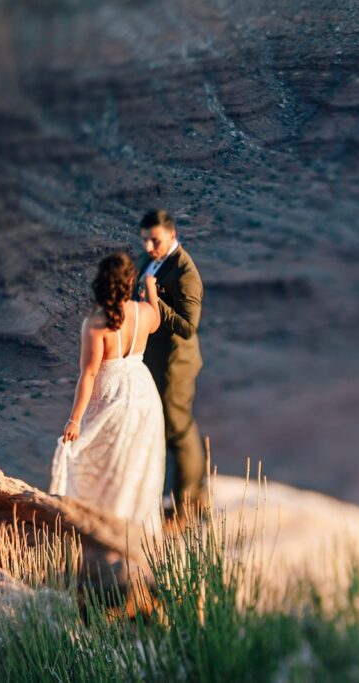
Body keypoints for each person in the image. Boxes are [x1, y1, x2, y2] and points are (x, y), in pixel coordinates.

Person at [50, 251, 166, 534]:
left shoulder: (96, 324)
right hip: (143, 394)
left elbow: (89, 374)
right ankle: (128, 529)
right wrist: (150, 288)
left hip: (112, 395)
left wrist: (75, 420)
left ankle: (97, 527)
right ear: (130, 282)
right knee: (133, 464)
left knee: (99, 462)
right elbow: (157, 320)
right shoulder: (144, 312)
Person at [134, 209, 207, 519]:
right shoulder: (152, 260)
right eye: (145, 240)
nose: (149, 247)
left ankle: (187, 506)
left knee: (178, 429)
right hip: (155, 359)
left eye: (155, 241)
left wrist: (155, 300)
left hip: (175, 364)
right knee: (166, 426)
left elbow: (188, 327)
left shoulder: (185, 273)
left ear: (172, 235)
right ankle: (185, 497)